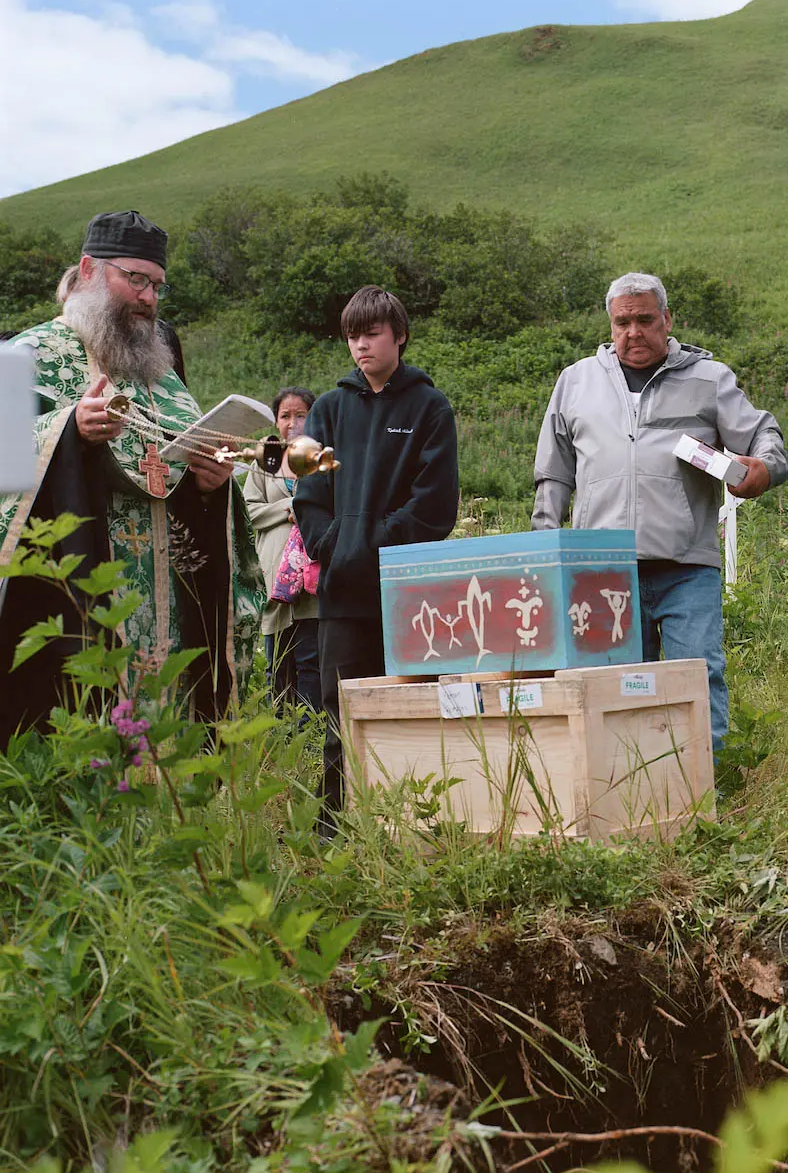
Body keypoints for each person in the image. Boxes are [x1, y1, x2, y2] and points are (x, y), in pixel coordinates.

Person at [0, 211, 264, 739]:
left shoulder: (160, 374)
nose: (148, 297)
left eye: (158, 285)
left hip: (167, 604)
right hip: (75, 602)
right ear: (90, 271)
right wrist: (68, 430)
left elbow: (181, 477)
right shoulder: (23, 355)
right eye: (135, 279)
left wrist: (210, 483)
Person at [531, 271, 788, 752]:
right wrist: (545, 549)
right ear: (610, 326)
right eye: (622, 322)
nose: (634, 332)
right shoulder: (576, 381)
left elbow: (762, 435)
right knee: (611, 689)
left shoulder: (708, 379)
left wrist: (764, 467)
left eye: (645, 319)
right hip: (602, 573)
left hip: (686, 566)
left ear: (667, 319)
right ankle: (621, 793)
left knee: (695, 679)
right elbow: (554, 473)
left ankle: (702, 795)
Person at [294, 286, 458, 836]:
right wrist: (334, 546)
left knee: (413, 704)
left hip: (409, 590)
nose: (359, 346)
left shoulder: (429, 407)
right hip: (342, 591)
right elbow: (308, 497)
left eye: (370, 334)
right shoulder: (328, 409)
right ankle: (334, 825)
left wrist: (378, 545)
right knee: (341, 710)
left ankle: (416, 823)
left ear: (399, 336)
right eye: (351, 336)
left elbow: (435, 505)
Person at [244, 388, 321, 717]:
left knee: (311, 657)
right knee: (277, 658)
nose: (293, 422)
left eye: (301, 414)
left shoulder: (322, 459)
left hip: (311, 571)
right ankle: (281, 727)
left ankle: (312, 725)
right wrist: (290, 505)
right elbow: (250, 511)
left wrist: (309, 511)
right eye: (285, 416)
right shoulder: (265, 461)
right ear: (276, 422)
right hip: (276, 572)